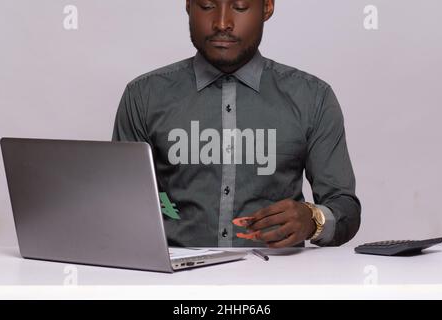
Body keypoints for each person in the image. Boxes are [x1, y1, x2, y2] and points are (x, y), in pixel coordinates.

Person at [112, 0, 361, 248]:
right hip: (172, 282)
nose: (222, 23)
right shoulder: (143, 96)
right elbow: (120, 205)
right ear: (188, 6)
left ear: (267, 8)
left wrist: (312, 220)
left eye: (240, 7)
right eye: (207, 6)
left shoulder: (312, 97)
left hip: (276, 280)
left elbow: (345, 208)